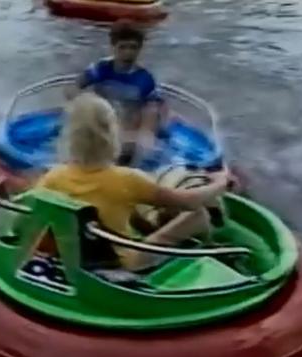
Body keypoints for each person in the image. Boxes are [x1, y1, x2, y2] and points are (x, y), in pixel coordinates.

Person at [36, 92, 231, 271]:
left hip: (75, 257)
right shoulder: (127, 179)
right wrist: (220, 182)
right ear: (112, 134)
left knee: (134, 212)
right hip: (121, 263)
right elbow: (189, 201)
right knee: (198, 214)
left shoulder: (53, 177)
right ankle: (209, 252)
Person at [65, 20, 164, 165]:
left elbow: (151, 110)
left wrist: (146, 133)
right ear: (113, 47)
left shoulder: (145, 79)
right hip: (100, 126)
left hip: (127, 133)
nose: (128, 52)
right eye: (122, 47)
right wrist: (84, 106)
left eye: (133, 47)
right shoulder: (100, 69)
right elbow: (72, 89)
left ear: (140, 49)